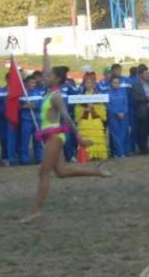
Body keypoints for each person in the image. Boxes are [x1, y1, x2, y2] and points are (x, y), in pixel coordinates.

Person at [21, 38, 111, 223]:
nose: (44, 77)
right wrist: (44, 49)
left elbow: (67, 117)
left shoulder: (56, 96)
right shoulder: (49, 90)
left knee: (43, 173)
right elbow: (46, 68)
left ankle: (35, 211)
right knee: (61, 172)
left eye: (48, 76)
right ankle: (96, 171)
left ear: (56, 80)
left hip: (55, 136)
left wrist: (79, 137)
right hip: (51, 136)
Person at [77, 75, 109, 161]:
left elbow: (102, 107)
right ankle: (87, 155)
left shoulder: (98, 95)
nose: (89, 84)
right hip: (85, 119)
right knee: (86, 136)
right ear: (84, 84)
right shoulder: (80, 96)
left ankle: (97, 154)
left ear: (94, 84)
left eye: (90, 83)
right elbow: (77, 108)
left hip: (95, 118)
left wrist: (94, 108)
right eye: (87, 83)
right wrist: (85, 109)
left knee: (97, 135)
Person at [19, 76, 43, 165]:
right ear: (27, 83)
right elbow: (17, 106)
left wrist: (35, 106)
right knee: (24, 140)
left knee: (38, 140)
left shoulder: (39, 93)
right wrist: (25, 106)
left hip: (37, 120)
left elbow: (42, 105)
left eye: (34, 83)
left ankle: (39, 158)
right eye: (31, 82)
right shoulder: (22, 93)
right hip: (26, 120)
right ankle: (24, 159)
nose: (33, 84)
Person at [107, 75, 131, 158]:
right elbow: (108, 106)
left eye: (118, 83)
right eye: (114, 82)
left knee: (123, 134)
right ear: (111, 83)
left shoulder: (123, 92)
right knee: (115, 135)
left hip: (124, 116)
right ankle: (118, 152)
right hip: (113, 117)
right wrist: (117, 113)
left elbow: (126, 103)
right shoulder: (108, 93)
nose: (116, 84)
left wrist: (124, 112)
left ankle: (124, 151)